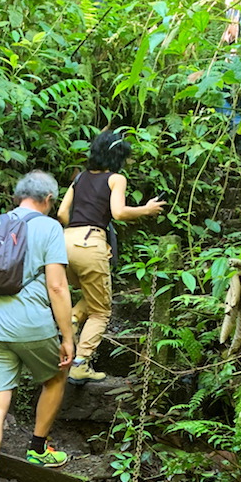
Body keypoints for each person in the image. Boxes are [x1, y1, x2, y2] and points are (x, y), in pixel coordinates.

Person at [0, 170, 75, 482]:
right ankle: (38, 447)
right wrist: (68, 336)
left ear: (18, 197)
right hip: (31, 325)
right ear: (48, 199)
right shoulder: (49, 227)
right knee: (57, 375)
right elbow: (57, 286)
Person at [56, 131, 166, 382]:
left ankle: (72, 319)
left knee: (90, 294)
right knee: (101, 312)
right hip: (90, 243)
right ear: (116, 156)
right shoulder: (116, 179)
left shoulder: (80, 178)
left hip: (64, 242)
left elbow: (62, 213)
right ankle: (81, 363)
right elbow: (117, 212)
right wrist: (146, 209)